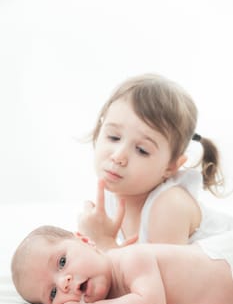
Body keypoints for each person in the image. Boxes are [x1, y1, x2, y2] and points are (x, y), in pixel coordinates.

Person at [77, 73, 233, 250]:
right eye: (113, 137)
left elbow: (163, 276)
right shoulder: (115, 194)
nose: (118, 156)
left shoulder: (169, 206)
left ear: (171, 166)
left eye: (142, 150)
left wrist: (104, 243)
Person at [11, 225, 233, 304]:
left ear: (85, 241)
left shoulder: (130, 259)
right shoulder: (115, 302)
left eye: (61, 262)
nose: (64, 283)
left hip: (225, 258)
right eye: (52, 294)